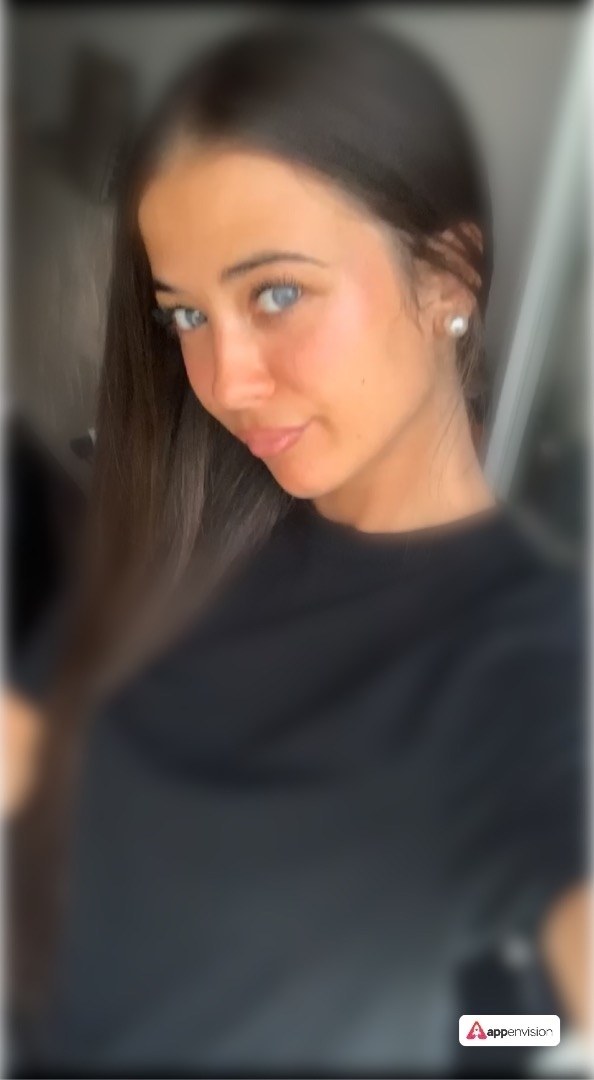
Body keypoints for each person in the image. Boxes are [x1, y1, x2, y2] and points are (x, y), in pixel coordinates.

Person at [6, 14, 589, 1078]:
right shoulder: (184, 531)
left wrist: (479, 1042)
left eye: (277, 293)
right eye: (185, 316)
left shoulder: (532, 654)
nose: (226, 382)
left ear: (450, 276)